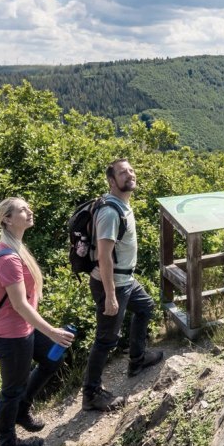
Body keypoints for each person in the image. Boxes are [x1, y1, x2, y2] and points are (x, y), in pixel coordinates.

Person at [0, 197, 75, 446]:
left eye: (28, 207)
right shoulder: (8, 258)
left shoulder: (15, 247)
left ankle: (22, 410)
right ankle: (8, 445)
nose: (29, 211)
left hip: (23, 330)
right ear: (6, 218)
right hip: (11, 336)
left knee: (52, 359)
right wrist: (52, 331)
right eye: (22, 210)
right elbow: (19, 305)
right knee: (11, 390)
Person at [81, 158, 164, 412]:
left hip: (125, 280)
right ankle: (91, 394)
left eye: (130, 170)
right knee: (106, 339)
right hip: (113, 283)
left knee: (145, 307)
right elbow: (104, 256)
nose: (129, 174)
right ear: (111, 181)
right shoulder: (110, 212)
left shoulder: (121, 205)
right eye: (122, 172)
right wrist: (110, 296)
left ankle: (137, 360)